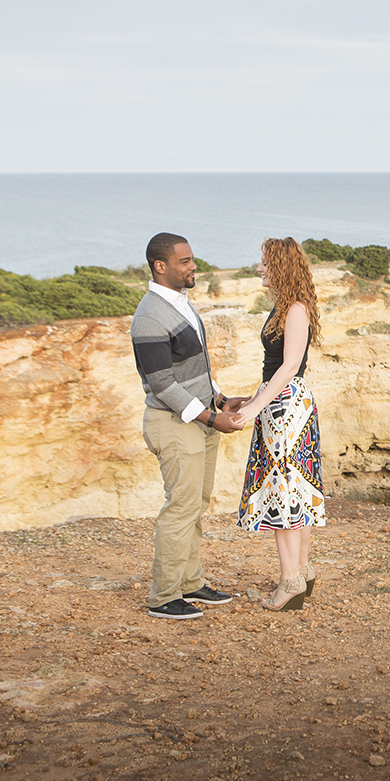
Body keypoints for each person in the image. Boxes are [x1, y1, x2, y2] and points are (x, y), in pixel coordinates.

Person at [131, 232, 240, 621]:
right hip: (175, 423)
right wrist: (211, 417)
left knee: (197, 504)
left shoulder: (180, 304)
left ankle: (190, 582)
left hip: (197, 419)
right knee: (180, 507)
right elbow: (163, 383)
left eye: (192, 259)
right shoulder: (150, 316)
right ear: (161, 266)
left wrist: (220, 399)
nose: (193, 266)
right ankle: (164, 596)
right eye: (185, 261)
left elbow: (195, 367)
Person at [225, 237, 326, 611]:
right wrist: (252, 401)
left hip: (287, 406)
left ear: (281, 266)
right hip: (281, 402)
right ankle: (301, 570)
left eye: (265, 262)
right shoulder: (287, 306)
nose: (259, 268)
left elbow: (288, 366)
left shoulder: (295, 309)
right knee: (292, 488)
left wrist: (256, 407)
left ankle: (291, 580)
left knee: (284, 492)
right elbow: (277, 370)